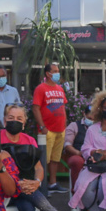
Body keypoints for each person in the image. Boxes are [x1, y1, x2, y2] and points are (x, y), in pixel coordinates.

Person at [0, 103, 79, 211]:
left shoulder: (29, 140)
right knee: (26, 191)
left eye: (19, 118)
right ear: (4, 119)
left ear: (25, 122)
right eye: (11, 118)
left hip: (26, 190)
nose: (15, 121)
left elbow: (39, 168)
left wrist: (36, 182)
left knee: (28, 208)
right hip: (3, 189)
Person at [31, 63, 69, 194]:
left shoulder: (59, 88)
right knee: (44, 159)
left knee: (55, 158)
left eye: (58, 71)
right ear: (48, 73)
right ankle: (43, 185)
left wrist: (65, 124)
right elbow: (35, 108)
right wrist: (42, 126)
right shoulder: (41, 89)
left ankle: (53, 183)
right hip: (47, 129)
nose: (58, 73)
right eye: (55, 71)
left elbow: (63, 106)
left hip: (60, 129)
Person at [64, 105, 93, 191]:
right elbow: (67, 145)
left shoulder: (100, 126)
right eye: (90, 118)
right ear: (84, 114)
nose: (92, 120)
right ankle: (76, 190)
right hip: (79, 154)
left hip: (95, 154)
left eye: (94, 119)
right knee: (76, 161)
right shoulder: (74, 126)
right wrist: (78, 153)